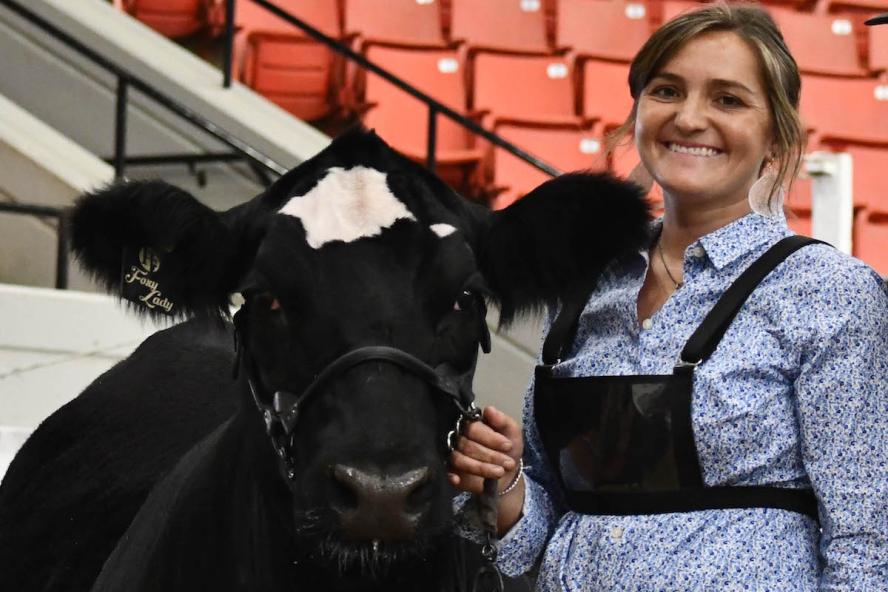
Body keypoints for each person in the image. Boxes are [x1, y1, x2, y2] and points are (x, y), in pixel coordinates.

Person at [449, 4, 888, 590]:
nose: (689, 117)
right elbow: (538, 534)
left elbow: (869, 542)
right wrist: (503, 481)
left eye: (728, 100)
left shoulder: (829, 292)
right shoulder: (586, 287)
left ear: (776, 143)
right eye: (667, 90)